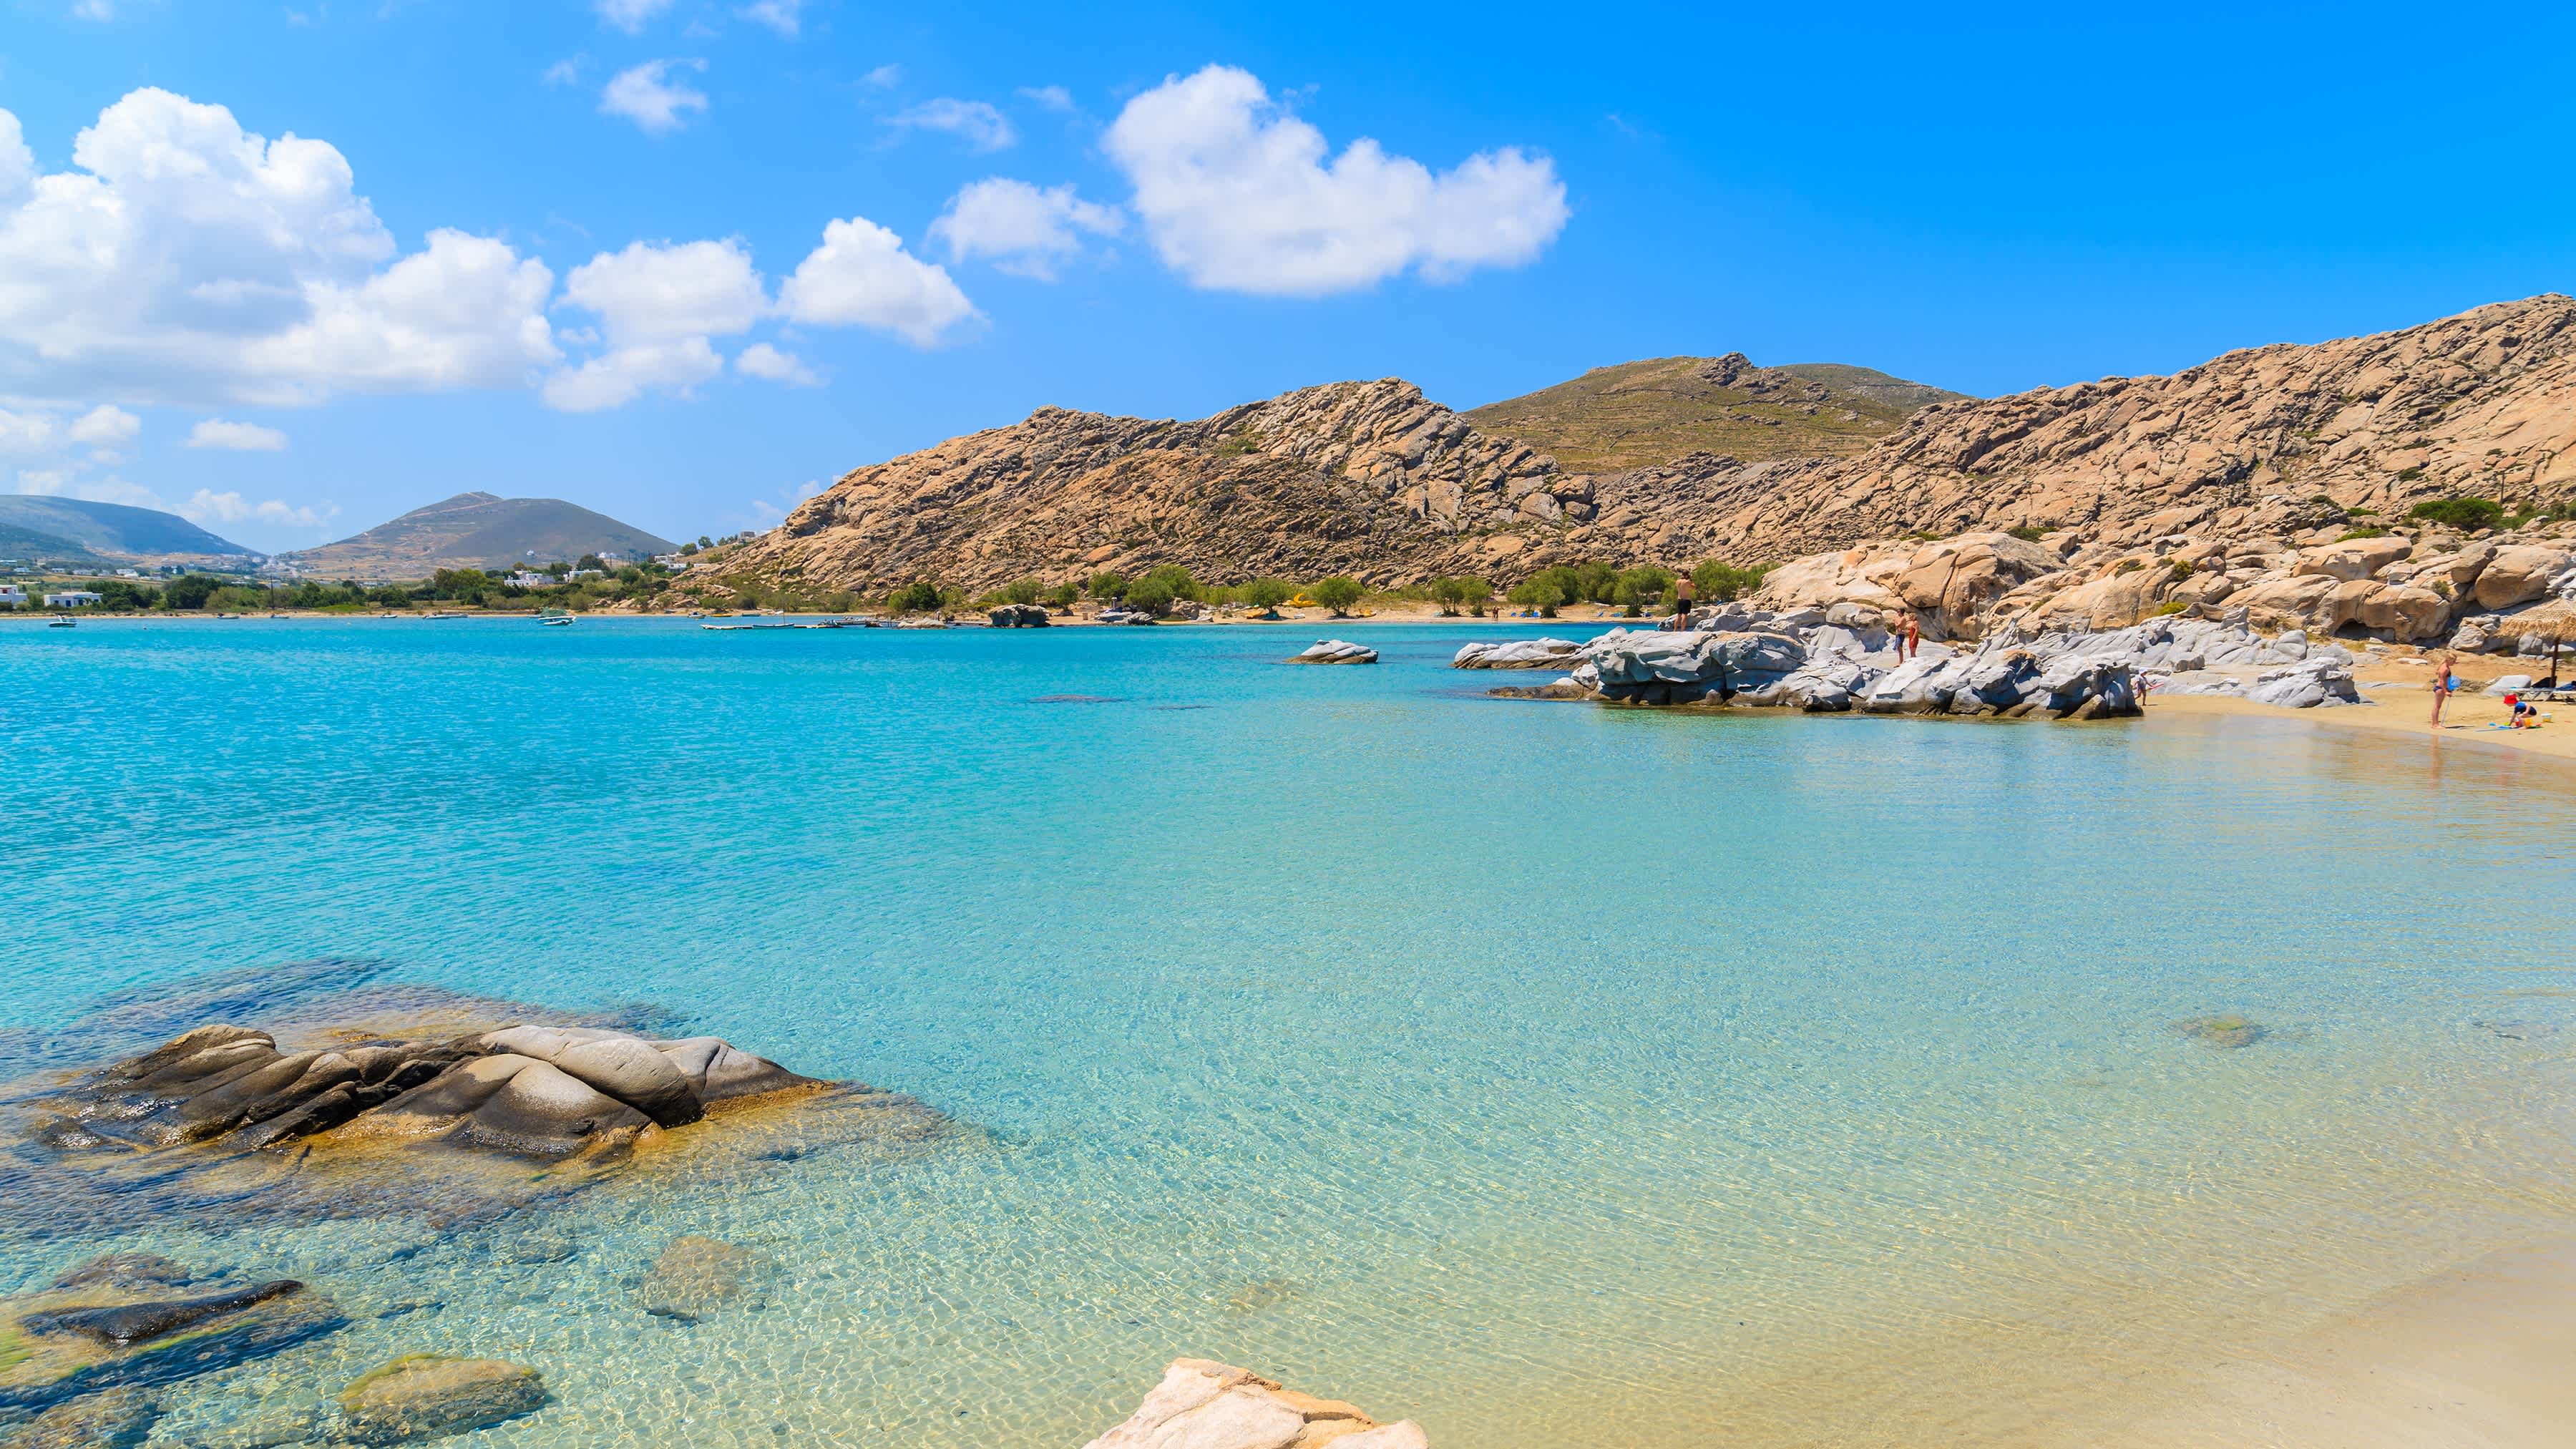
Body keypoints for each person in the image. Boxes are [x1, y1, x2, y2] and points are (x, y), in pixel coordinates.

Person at [2431, 652, 2458, 729]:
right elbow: (2442, 682)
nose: (2455, 663)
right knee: (2437, 706)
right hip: (2440, 689)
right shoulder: (2444, 669)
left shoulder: (2445, 666)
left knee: (2438, 706)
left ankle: (2435, 724)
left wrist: (2449, 688)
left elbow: (2446, 680)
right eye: (2453, 661)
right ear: (2448, 660)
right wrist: (2446, 691)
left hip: (2442, 688)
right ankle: (2435, 725)